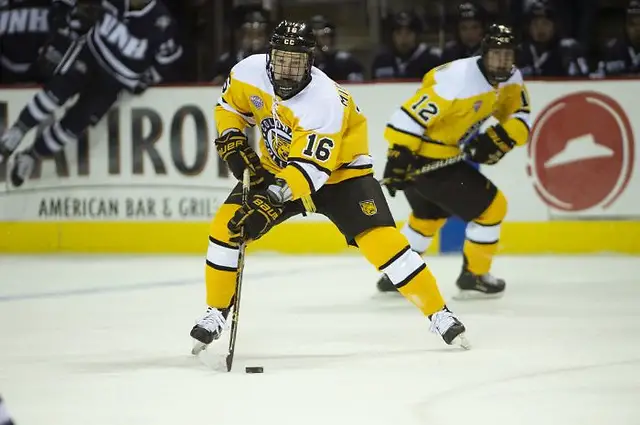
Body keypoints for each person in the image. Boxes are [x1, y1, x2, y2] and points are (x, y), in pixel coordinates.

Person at [189, 20, 469, 351]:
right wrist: (232, 137)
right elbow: (228, 108)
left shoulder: (323, 100)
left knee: (385, 244)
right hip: (279, 166)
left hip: (341, 175)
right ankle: (216, 311)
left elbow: (311, 170)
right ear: (269, 56)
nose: (287, 70)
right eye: (281, 59)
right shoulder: (248, 73)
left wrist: (271, 201)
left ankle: (439, 314)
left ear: (311, 61)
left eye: (297, 62)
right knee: (226, 228)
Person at [376, 24, 531, 299]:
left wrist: (500, 139)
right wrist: (398, 157)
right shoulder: (456, 79)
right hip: (422, 158)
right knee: (493, 208)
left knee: (428, 216)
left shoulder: (512, 78)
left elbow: (519, 114)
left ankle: (397, 276)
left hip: (443, 156)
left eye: (508, 56)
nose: (502, 62)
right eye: (497, 55)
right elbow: (410, 116)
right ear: (483, 54)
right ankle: (474, 275)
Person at [0, 0, 183, 187]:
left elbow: (168, 59)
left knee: (73, 126)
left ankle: (31, 156)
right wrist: (69, 18)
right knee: (54, 94)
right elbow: (76, 8)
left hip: (113, 83)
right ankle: (17, 131)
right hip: (89, 56)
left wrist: (145, 80)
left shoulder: (162, 22)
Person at [516, 0, 589, 77]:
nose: (540, 29)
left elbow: (582, 81)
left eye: (545, 23)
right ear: (528, 27)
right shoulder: (520, 51)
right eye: (535, 24)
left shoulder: (567, 49)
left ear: (555, 26)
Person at [371, 11, 441, 80]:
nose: (403, 38)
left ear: (416, 35)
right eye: (399, 33)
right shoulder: (381, 62)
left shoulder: (431, 61)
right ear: (392, 36)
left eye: (408, 33)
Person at [210, 10, 270, 84]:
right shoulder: (225, 63)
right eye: (250, 35)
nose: (255, 41)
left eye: (259, 35)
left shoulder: (273, 62)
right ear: (240, 36)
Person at [307, 15, 364, 82]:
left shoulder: (346, 62)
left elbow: (357, 86)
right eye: (316, 37)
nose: (324, 41)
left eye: (326, 36)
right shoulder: (304, 64)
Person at [595, 0, 640, 76]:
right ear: (625, 26)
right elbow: (599, 77)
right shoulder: (614, 49)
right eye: (632, 24)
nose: (637, 29)